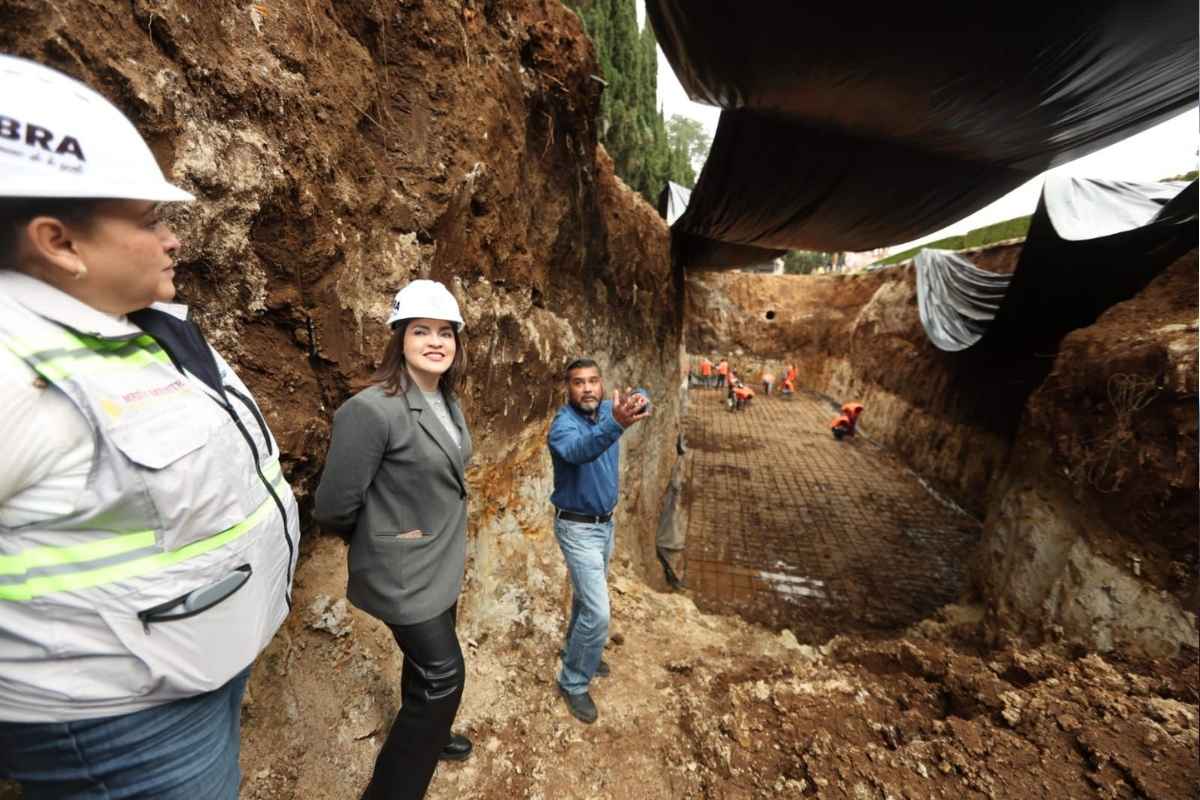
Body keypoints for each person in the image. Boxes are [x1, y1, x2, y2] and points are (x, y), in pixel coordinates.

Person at [0, 55, 300, 798]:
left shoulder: (138, 328)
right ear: (58, 241)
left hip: (185, 673)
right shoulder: (13, 370)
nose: (173, 239)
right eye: (150, 220)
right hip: (116, 723)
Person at [313, 280, 474, 800]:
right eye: (421, 330)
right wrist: (390, 538)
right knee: (445, 677)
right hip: (405, 570)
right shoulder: (372, 410)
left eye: (445, 333)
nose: (436, 342)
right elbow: (334, 505)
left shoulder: (446, 398)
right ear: (398, 337)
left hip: (441, 560)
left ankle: (429, 734)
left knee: (426, 671)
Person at [548, 359, 650, 724]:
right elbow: (581, 450)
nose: (588, 388)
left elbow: (644, 397)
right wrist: (617, 423)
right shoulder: (563, 426)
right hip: (577, 529)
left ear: (603, 385)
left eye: (593, 381)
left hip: (604, 525)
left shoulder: (609, 409)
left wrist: (638, 402)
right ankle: (574, 682)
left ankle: (581, 652)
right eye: (579, 383)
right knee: (598, 611)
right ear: (568, 388)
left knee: (585, 600)